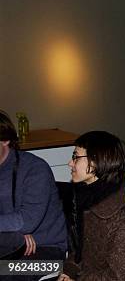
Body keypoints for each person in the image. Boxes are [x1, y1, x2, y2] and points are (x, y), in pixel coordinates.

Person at [59, 131, 125, 280]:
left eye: (75, 157)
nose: (70, 163)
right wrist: (69, 271)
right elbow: (79, 251)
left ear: (96, 161)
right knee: (9, 269)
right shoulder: (82, 198)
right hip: (85, 275)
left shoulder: (121, 215)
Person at [0, 110, 67, 280]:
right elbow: (18, 223)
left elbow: (26, 221)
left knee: (5, 273)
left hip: (50, 253)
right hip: (10, 246)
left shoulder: (35, 169)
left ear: (5, 139)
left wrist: (19, 228)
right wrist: (15, 232)